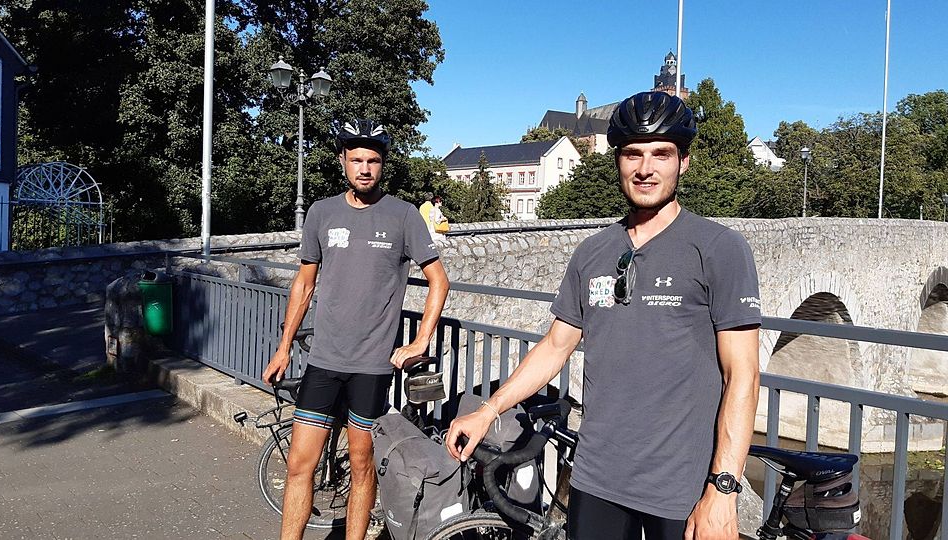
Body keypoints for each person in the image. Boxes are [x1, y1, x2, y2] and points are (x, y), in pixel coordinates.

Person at [445, 92, 761, 540]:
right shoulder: (593, 253)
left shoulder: (718, 249)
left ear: (683, 162)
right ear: (617, 161)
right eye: (632, 153)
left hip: (681, 489)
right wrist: (488, 410)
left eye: (661, 154)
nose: (645, 167)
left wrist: (723, 490)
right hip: (597, 479)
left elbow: (743, 374)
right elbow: (556, 346)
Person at [262, 119, 450, 540]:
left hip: (371, 366)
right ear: (343, 162)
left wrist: (420, 341)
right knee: (299, 464)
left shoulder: (403, 216)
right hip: (324, 361)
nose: (365, 168)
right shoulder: (321, 213)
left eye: (373, 161)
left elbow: (439, 280)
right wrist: (283, 347)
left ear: (383, 165)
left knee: (362, 465)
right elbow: (304, 284)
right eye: (357, 160)